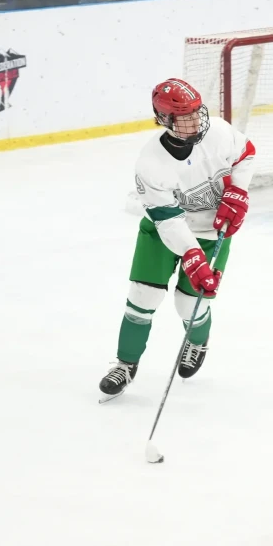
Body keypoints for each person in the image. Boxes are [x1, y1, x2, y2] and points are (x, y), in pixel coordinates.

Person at [99, 78, 254, 400]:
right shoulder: (150, 163)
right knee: (143, 297)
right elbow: (167, 220)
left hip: (211, 230)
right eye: (185, 117)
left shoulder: (219, 132)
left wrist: (238, 190)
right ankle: (125, 364)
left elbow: (246, 154)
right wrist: (190, 253)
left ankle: (196, 341)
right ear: (164, 119)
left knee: (190, 303)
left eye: (197, 113)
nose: (195, 121)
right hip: (162, 231)